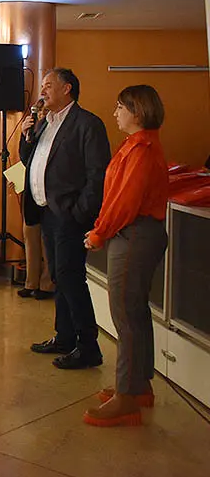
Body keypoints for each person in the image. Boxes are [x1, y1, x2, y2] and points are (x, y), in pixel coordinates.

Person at [81, 85, 170, 427]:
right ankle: (138, 384)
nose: (115, 112)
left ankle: (126, 397)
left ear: (137, 110)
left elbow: (125, 200)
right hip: (136, 233)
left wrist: (101, 231)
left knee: (125, 314)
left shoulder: (142, 150)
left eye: (120, 107)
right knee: (134, 310)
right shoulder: (135, 146)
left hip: (133, 235)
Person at [22, 68, 111, 370]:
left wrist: (79, 212)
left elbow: (97, 174)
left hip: (69, 216)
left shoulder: (87, 124)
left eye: (48, 86)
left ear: (67, 88)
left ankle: (89, 347)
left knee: (71, 278)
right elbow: (28, 158)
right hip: (47, 212)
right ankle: (64, 337)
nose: (42, 91)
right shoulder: (46, 123)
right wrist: (27, 133)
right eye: (43, 86)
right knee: (60, 277)